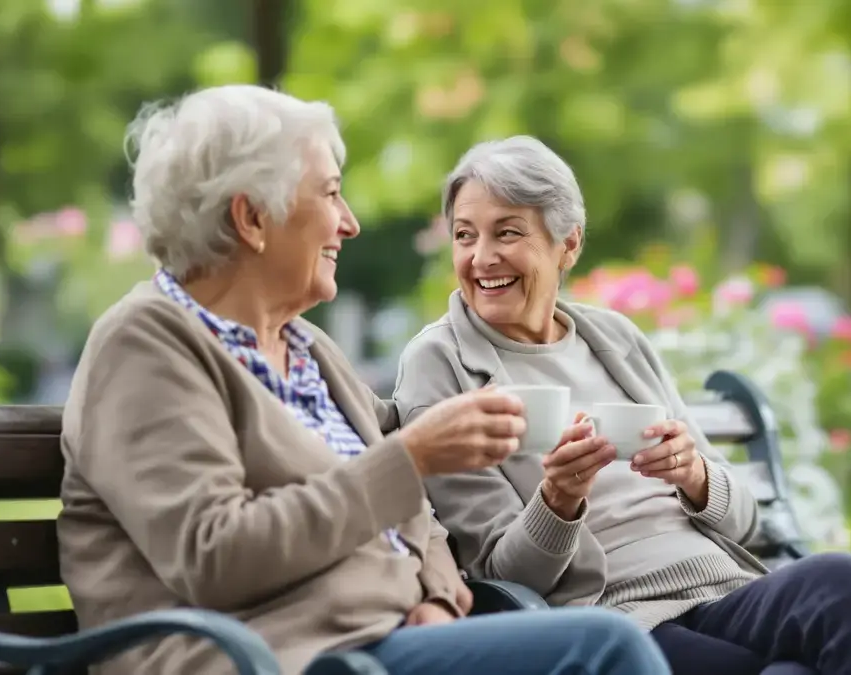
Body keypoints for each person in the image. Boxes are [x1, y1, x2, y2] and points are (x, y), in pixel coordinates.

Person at [57, 87, 672, 675]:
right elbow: (214, 555)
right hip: (278, 658)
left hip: (381, 644)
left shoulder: (307, 348)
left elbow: (421, 520)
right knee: (600, 652)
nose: (348, 222)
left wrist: (437, 601)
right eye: (328, 195)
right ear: (251, 217)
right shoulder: (145, 346)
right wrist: (411, 457)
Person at [393, 136, 851, 675]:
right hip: (614, 617)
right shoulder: (441, 364)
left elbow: (747, 522)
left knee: (842, 581)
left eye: (507, 233)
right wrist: (557, 500)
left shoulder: (614, 339)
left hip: (723, 588)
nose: (481, 257)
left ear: (568, 245)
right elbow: (501, 579)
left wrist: (695, 474)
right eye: (465, 236)